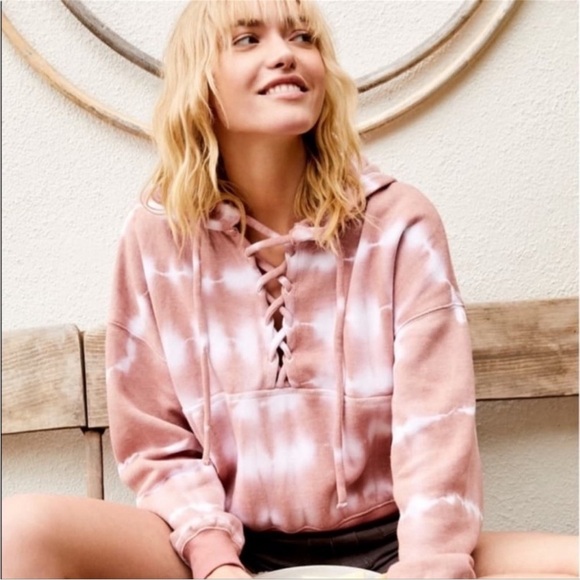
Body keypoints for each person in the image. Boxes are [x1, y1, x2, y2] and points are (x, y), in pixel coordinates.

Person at [2, 1, 578, 578]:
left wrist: (428, 566)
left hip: (395, 542)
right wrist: (217, 563)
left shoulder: (399, 222)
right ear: (201, 80)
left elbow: (436, 426)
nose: (285, 54)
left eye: (302, 37)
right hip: (221, 543)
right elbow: (156, 443)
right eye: (247, 40)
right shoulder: (157, 236)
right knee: (19, 532)